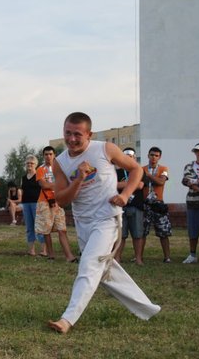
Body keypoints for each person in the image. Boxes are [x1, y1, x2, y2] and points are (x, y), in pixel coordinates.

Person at [48, 112, 160, 334]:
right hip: (83, 223)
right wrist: (79, 179)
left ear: (89, 134)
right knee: (105, 271)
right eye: (67, 133)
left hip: (107, 219)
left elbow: (136, 169)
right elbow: (61, 200)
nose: (71, 139)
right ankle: (148, 309)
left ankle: (67, 320)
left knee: (89, 265)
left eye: (77, 134)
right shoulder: (60, 163)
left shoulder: (104, 149)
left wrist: (126, 195)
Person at [35, 146, 77, 262]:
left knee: (62, 229)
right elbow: (44, 185)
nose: (48, 156)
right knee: (46, 231)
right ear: (43, 156)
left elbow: (67, 183)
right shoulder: (40, 169)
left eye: (50, 154)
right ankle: (50, 255)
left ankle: (69, 256)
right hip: (44, 202)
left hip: (58, 201)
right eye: (46, 154)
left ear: (54, 155)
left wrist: (57, 184)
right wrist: (59, 184)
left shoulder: (59, 168)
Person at [114, 148, 145, 265]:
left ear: (134, 158)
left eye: (131, 156)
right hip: (121, 207)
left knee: (137, 234)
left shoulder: (140, 171)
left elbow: (141, 185)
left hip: (136, 206)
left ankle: (138, 258)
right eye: (126, 156)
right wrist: (132, 183)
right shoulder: (117, 172)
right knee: (121, 235)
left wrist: (124, 185)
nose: (128, 158)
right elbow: (114, 184)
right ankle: (117, 258)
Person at [142, 147, 171, 263]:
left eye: (156, 155)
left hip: (158, 203)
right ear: (148, 156)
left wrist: (148, 175)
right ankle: (139, 256)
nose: (153, 158)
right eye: (152, 155)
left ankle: (167, 257)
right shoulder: (141, 169)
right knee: (142, 232)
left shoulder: (163, 169)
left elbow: (161, 182)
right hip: (145, 203)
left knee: (163, 232)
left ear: (160, 157)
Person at [181, 142, 199, 264]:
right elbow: (186, 181)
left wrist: (195, 182)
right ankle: (192, 255)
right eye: (197, 151)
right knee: (193, 230)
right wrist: (198, 183)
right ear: (194, 153)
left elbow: (191, 182)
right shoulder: (189, 166)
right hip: (193, 203)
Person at [22, 155, 46, 256]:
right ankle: (31, 250)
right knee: (29, 227)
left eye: (31, 163)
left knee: (39, 227)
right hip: (26, 204)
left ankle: (43, 250)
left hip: (37, 203)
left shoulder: (39, 176)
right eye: (28, 163)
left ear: (36, 165)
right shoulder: (23, 177)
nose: (29, 165)